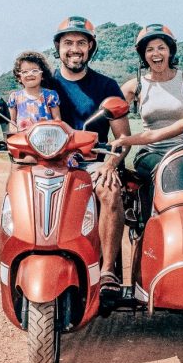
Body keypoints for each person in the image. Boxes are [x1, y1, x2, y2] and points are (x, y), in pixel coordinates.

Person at [47, 16, 131, 298]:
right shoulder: (45, 85)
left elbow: (122, 139)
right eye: (68, 42)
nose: (75, 49)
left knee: (110, 191)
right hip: (51, 162)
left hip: (94, 162)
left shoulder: (106, 86)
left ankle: (107, 271)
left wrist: (110, 163)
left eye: (81, 43)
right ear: (58, 48)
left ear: (91, 47)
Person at [120, 24, 183, 224]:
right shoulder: (135, 86)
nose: (156, 53)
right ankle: (149, 223)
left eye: (161, 47)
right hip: (150, 152)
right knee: (163, 169)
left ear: (170, 51)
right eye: (149, 49)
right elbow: (110, 111)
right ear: (143, 55)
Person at [7, 50, 60, 130]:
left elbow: (58, 121)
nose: (30, 74)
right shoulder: (14, 97)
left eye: (35, 71)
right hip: (23, 140)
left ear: (43, 75)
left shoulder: (50, 96)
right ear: (19, 77)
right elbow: (12, 122)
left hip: (48, 138)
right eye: (25, 72)